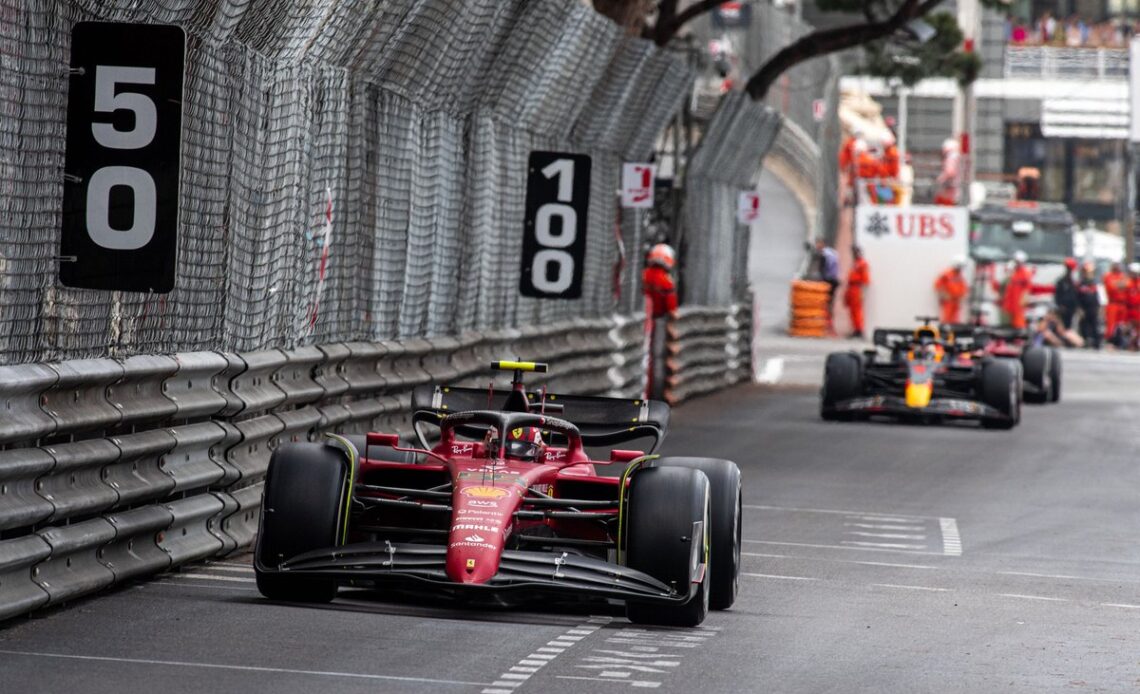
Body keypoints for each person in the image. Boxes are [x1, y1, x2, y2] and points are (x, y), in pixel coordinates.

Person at [999, 251, 1034, 329]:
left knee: (1018, 323)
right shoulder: (1012, 272)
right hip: (1009, 303)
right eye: (1016, 261)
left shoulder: (1025, 273)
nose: (1017, 263)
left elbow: (1027, 289)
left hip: (1018, 304)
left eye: (1018, 262)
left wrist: (1024, 299)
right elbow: (1005, 286)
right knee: (1006, 324)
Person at [642, 243, 678, 318]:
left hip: (643, 314)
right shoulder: (666, 280)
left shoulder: (643, 274)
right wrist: (673, 314)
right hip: (658, 316)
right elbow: (671, 304)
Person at [814, 239, 841, 331]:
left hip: (828, 281)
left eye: (818, 244)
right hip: (834, 280)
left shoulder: (824, 255)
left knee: (825, 302)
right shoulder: (832, 252)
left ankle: (827, 323)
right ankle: (829, 323)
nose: (817, 247)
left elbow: (822, 270)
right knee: (830, 302)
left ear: (822, 244)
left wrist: (820, 279)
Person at [934, 256, 969, 325]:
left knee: (956, 319)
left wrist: (962, 296)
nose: (961, 269)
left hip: (957, 301)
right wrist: (944, 294)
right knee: (947, 318)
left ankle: (954, 332)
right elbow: (938, 284)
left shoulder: (960, 276)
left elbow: (964, 287)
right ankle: (944, 331)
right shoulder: (947, 274)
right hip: (949, 301)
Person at [844, 246, 870, 338]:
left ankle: (859, 330)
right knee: (852, 311)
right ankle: (855, 329)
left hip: (857, 288)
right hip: (851, 288)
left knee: (857, 311)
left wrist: (861, 292)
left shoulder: (862, 264)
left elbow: (865, 280)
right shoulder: (855, 264)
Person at [1075, 260, 1101, 349]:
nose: (1089, 274)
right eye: (1087, 272)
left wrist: (1100, 309)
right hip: (1084, 308)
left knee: (1095, 325)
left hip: (1093, 308)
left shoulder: (1095, 284)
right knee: (1083, 325)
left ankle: (1096, 343)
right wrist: (1079, 309)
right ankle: (1084, 341)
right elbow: (1077, 298)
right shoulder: (1080, 284)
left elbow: (1099, 298)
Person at [1102, 262, 1128, 343]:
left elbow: (1127, 284)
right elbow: (1111, 287)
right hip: (1112, 303)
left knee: (1121, 324)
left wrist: (1118, 284)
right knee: (1111, 324)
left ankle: (1119, 341)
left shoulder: (1122, 275)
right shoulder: (1108, 275)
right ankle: (1109, 341)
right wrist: (1120, 284)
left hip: (1123, 304)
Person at [1053, 257, 1080, 329]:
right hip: (1063, 308)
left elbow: (1076, 296)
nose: (1070, 271)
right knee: (1062, 326)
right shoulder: (1061, 282)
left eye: (1071, 269)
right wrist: (1060, 305)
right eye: (1069, 269)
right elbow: (1057, 295)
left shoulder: (1074, 282)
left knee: (1070, 326)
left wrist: (1077, 307)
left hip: (1072, 309)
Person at [933, 138, 961, 206]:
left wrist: (939, 179)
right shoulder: (959, 156)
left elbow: (949, 172)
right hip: (958, 188)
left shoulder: (951, 156)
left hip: (951, 189)